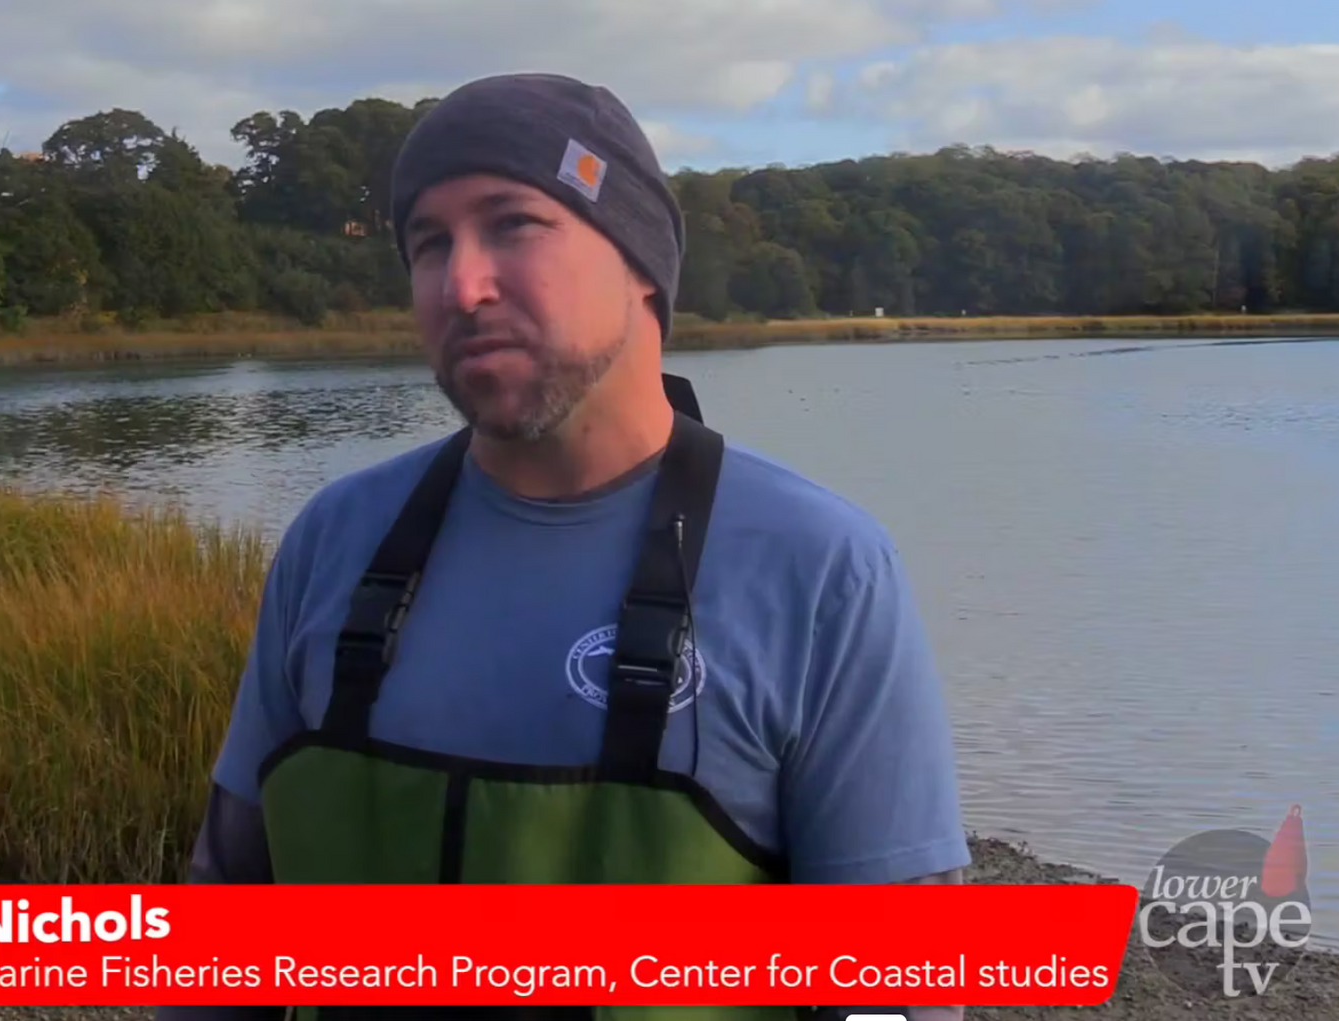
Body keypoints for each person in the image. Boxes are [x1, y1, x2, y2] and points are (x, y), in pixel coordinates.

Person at [160, 72, 971, 1021]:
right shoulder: (334, 541)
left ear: (640, 263)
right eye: (429, 244)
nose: (463, 284)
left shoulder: (822, 570)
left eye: (514, 224)